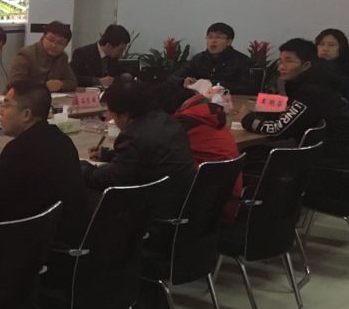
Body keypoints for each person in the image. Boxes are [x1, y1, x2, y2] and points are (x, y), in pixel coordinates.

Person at [0, 83, 88, 243]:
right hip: (69, 235)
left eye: (6, 105)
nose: (0, 111)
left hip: (35, 244)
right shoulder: (61, 139)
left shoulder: (20, 150)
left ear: (26, 114)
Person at [81, 77, 193, 216]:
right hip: (181, 201)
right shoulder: (167, 120)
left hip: (154, 210)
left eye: (112, 113)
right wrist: (108, 155)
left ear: (125, 115)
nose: (110, 117)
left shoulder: (134, 136)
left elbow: (112, 178)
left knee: (81, 193)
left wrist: (83, 168)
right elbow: (142, 158)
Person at [241, 38, 349, 165]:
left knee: (245, 152)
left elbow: (278, 130)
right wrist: (263, 114)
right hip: (322, 149)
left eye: (289, 61)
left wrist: (247, 119)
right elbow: (291, 114)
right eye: (280, 61)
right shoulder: (315, 82)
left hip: (324, 157)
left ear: (306, 65)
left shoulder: (311, 91)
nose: (281, 67)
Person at [152, 82, 243, 221]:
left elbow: (153, 150)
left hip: (200, 211)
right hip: (226, 202)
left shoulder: (183, 123)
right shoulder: (206, 114)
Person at [168, 22, 256, 95]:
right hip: (199, 101)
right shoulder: (199, 58)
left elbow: (248, 88)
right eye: (210, 37)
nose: (213, 41)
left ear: (229, 42)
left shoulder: (242, 61)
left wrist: (213, 84)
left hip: (229, 102)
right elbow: (172, 78)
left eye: (218, 37)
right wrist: (183, 81)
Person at [6, 21, 77, 93]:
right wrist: (44, 85)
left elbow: (72, 82)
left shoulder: (63, 57)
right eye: (50, 40)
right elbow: (14, 83)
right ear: (43, 38)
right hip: (20, 97)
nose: (54, 45)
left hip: (50, 97)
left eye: (60, 43)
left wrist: (61, 84)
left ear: (65, 45)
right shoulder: (27, 54)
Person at [71, 24, 131, 88]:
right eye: (120, 50)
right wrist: (97, 81)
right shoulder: (82, 53)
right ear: (108, 45)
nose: (121, 53)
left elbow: (116, 75)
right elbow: (73, 78)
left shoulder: (113, 58)